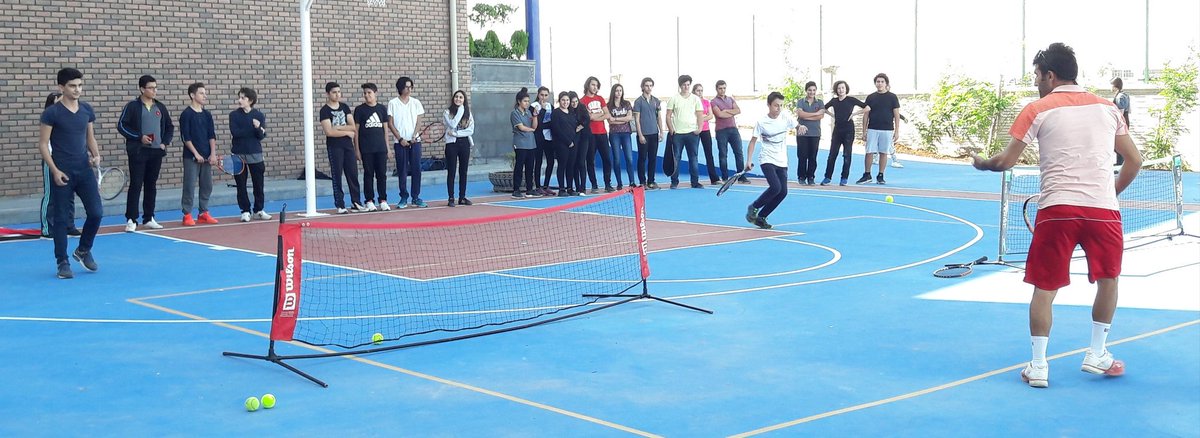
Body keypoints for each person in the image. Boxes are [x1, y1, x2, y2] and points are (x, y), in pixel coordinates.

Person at [970, 42, 1141, 389]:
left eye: (1036, 74)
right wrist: (1111, 193)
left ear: (1050, 75)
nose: (1035, 81)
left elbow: (1004, 162)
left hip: (1056, 209)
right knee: (1109, 281)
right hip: (1103, 210)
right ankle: (1096, 353)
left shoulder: (1037, 109)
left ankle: (1038, 366)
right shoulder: (1109, 108)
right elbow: (1133, 160)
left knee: (1045, 288)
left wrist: (981, 162)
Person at [38, 68, 104, 279]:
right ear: (61, 87)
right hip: (62, 173)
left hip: (84, 171)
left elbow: (89, 137)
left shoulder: (86, 110)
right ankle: (62, 262)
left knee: (96, 213)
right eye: (72, 86)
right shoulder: (51, 113)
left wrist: (96, 155)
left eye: (80, 85)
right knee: (61, 220)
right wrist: (55, 170)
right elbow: (42, 144)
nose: (77, 90)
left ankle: (83, 250)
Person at [117, 74, 173, 232]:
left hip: (156, 152)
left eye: (155, 87)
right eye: (151, 88)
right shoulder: (132, 106)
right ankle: (131, 219)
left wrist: (164, 143)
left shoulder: (160, 107)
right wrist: (138, 137)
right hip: (138, 152)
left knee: (151, 184)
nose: (154, 90)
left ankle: (149, 217)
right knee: (136, 184)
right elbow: (121, 125)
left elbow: (169, 127)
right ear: (142, 89)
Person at [744, 92, 805, 229]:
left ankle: (762, 217)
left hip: (782, 160)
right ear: (769, 105)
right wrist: (748, 161)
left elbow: (797, 125)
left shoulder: (785, 118)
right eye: (776, 105)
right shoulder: (761, 122)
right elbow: (753, 142)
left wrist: (800, 127)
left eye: (781, 106)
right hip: (767, 159)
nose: (779, 108)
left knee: (783, 192)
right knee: (775, 187)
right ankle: (754, 207)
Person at [39, 92, 81, 238]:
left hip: (67, 161)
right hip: (51, 160)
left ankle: (70, 225)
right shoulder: (48, 118)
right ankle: (47, 228)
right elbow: (44, 143)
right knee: (50, 195)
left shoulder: (69, 118)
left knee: (69, 195)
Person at [178, 82, 219, 226]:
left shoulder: (207, 114)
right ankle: (187, 214)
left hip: (207, 157)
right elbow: (186, 137)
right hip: (191, 157)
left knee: (207, 185)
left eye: (205, 93)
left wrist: (212, 154)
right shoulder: (186, 114)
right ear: (192, 95)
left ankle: (203, 213)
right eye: (201, 93)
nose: (205, 95)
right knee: (189, 185)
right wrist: (196, 154)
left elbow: (211, 135)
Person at [320, 82, 362, 214]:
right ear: (328, 94)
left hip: (348, 146)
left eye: (339, 92)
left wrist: (338, 127)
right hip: (334, 147)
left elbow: (353, 127)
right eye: (334, 92)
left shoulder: (344, 107)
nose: (337, 94)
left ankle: (356, 202)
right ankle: (340, 204)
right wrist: (346, 132)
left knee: (352, 173)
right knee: (337, 175)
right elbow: (329, 132)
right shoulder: (325, 110)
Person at [230, 87, 270, 222]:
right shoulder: (234, 115)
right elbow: (236, 133)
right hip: (238, 153)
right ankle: (245, 210)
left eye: (243, 98)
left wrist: (258, 128)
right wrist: (252, 128)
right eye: (239, 97)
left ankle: (258, 209)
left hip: (255, 153)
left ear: (250, 100)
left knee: (258, 183)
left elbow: (261, 136)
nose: (239, 100)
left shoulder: (259, 115)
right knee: (240, 184)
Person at [387, 76, 427, 208]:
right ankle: (403, 197)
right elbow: (390, 124)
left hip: (415, 142)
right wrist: (400, 139)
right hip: (400, 143)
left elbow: (419, 121)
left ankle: (416, 197)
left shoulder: (416, 102)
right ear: (400, 88)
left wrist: (415, 135)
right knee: (402, 170)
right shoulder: (393, 103)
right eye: (406, 87)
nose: (409, 89)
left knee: (417, 169)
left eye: (411, 87)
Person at [856, 73, 900, 185]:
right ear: (875, 83)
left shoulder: (892, 97)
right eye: (878, 82)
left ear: (886, 83)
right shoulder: (871, 97)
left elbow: (896, 115)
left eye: (882, 82)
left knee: (883, 152)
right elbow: (866, 114)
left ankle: (880, 175)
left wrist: (897, 131)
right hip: (872, 128)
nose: (879, 84)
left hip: (887, 129)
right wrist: (864, 130)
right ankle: (867, 174)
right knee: (869, 152)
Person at [354, 83, 391, 211]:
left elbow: (385, 130)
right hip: (366, 149)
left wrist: (388, 148)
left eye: (369, 92)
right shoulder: (360, 110)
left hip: (380, 148)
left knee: (382, 175)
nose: (366, 95)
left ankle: (383, 200)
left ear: (375, 93)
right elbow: (356, 131)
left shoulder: (381, 109)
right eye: (365, 93)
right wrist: (357, 149)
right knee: (368, 174)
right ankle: (369, 200)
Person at [822, 81, 867, 186]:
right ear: (836, 90)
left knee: (847, 155)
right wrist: (832, 115)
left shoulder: (851, 100)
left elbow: (867, 107)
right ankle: (827, 177)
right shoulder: (834, 101)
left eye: (842, 88)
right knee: (832, 155)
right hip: (837, 130)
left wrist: (854, 113)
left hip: (849, 131)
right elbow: (823, 108)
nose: (841, 90)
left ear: (846, 89)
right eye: (839, 88)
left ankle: (844, 178)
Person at [664, 74, 704, 189]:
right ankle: (674, 181)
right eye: (684, 85)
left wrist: (699, 129)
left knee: (693, 158)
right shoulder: (674, 99)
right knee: (676, 158)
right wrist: (671, 129)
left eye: (688, 84)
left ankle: (695, 182)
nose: (686, 87)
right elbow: (668, 116)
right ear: (680, 86)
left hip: (692, 133)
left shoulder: (695, 99)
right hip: (678, 134)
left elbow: (700, 114)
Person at [710, 80, 747, 184]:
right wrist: (731, 112)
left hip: (733, 129)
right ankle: (725, 177)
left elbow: (738, 110)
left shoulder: (730, 99)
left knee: (739, 153)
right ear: (716, 89)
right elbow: (720, 115)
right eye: (720, 88)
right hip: (721, 131)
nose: (722, 90)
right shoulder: (713, 102)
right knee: (723, 154)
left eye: (724, 88)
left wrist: (726, 111)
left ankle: (741, 176)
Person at [443, 90, 475, 206]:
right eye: (456, 97)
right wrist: (460, 111)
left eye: (461, 97)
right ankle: (451, 198)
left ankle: (462, 197)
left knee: (463, 171)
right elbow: (452, 124)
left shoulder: (468, 112)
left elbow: (470, 130)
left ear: (464, 100)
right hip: (451, 144)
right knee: (451, 171)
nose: (458, 99)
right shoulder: (447, 112)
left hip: (464, 143)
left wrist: (457, 134)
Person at [581, 77, 612, 192]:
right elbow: (590, 117)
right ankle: (594, 185)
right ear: (588, 85)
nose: (595, 87)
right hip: (591, 134)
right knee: (590, 160)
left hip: (602, 133)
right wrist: (600, 114)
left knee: (607, 159)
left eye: (596, 85)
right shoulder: (582, 101)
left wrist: (597, 115)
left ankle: (608, 184)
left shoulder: (600, 99)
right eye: (593, 85)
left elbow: (608, 115)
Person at [632, 77, 662, 189]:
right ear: (642, 87)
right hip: (643, 135)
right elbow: (637, 120)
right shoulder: (638, 101)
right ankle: (642, 182)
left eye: (650, 85)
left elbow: (659, 118)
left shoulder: (656, 101)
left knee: (653, 158)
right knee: (642, 158)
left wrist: (661, 132)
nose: (649, 88)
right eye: (646, 85)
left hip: (654, 133)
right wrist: (640, 135)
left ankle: (651, 181)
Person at [511, 88, 540, 199]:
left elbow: (534, 126)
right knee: (519, 166)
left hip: (531, 143)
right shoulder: (515, 113)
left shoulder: (528, 113)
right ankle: (516, 190)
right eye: (525, 101)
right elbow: (521, 127)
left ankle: (529, 189)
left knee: (530, 166)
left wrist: (535, 116)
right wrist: (532, 130)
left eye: (528, 101)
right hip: (520, 143)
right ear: (519, 101)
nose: (527, 103)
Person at [549, 91, 579, 196]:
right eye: (563, 100)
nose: (565, 102)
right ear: (559, 101)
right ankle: (562, 189)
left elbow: (575, 128)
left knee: (570, 166)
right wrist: (568, 141)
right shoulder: (556, 113)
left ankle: (570, 188)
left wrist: (573, 141)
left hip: (573, 144)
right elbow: (556, 129)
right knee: (562, 165)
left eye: (567, 100)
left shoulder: (571, 113)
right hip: (561, 144)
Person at [606, 83, 636, 188]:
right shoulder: (608, 105)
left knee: (629, 158)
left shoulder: (627, 104)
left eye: (620, 90)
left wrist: (617, 119)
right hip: (614, 135)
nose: (618, 93)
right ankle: (619, 183)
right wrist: (621, 120)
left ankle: (632, 181)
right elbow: (610, 121)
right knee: (617, 159)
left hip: (626, 133)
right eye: (617, 90)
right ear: (613, 92)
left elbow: (629, 118)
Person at [795, 81, 824, 185]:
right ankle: (801, 177)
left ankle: (810, 177)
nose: (812, 92)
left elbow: (821, 116)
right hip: (802, 133)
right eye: (810, 90)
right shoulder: (800, 102)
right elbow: (800, 114)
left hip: (815, 133)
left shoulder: (820, 102)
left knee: (813, 157)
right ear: (806, 90)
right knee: (802, 156)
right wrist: (814, 115)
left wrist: (806, 115)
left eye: (814, 90)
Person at [693, 83, 720, 186]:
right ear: (694, 92)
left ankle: (714, 178)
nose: (700, 93)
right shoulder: (692, 103)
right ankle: (695, 180)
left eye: (701, 90)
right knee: (694, 155)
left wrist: (700, 118)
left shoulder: (706, 102)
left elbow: (710, 116)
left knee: (709, 154)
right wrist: (702, 117)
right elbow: (691, 116)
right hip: (695, 130)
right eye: (698, 90)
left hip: (706, 130)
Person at [534, 86, 556, 195]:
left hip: (549, 138)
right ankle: (538, 186)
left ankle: (546, 185)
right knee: (538, 161)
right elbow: (539, 122)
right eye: (542, 95)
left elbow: (553, 121)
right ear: (538, 95)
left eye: (546, 95)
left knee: (551, 161)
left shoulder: (550, 106)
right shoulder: (534, 106)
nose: (544, 97)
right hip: (538, 137)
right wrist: (541, 109)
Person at [569, 91, 590, 195]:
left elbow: (587, 119)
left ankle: (583, 187)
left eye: (576, 101)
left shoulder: (582, 107)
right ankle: (577, 187)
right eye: (572, 102)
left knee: (581, 162)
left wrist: (581, 126)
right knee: (574, 163)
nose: (574, 103)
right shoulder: (568, 111)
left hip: (584, 137)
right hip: (574, 138)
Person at [1111, 77, 1131, 166]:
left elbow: (1121, 112)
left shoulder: (1120, 97)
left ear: (1115, 86)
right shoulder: (1124, 95)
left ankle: (1121, 163)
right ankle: (1119, 163)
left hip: (1121, 122)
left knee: (1117, 143)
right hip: (1124, 121)